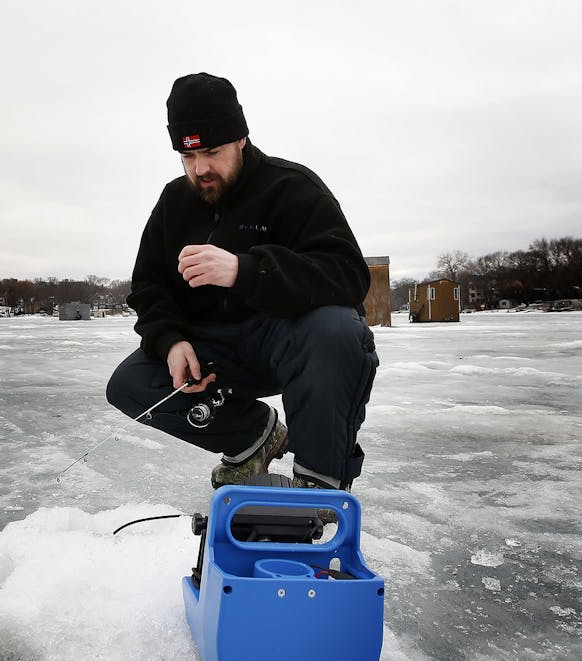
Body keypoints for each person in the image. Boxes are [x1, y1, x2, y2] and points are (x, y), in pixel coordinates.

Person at [106, 72, 378, 490]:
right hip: (216, 353)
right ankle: (254, 437)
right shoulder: (174, 201)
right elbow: (148, 286)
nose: (200, 169)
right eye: (187, 156)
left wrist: (244, 270)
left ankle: (319, 480)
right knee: (131, 382)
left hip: (290, 344)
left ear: (240, 139)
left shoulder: (291, 187)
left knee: (340, 329)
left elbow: (347, 275)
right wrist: (171, 341)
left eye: (212, 152)